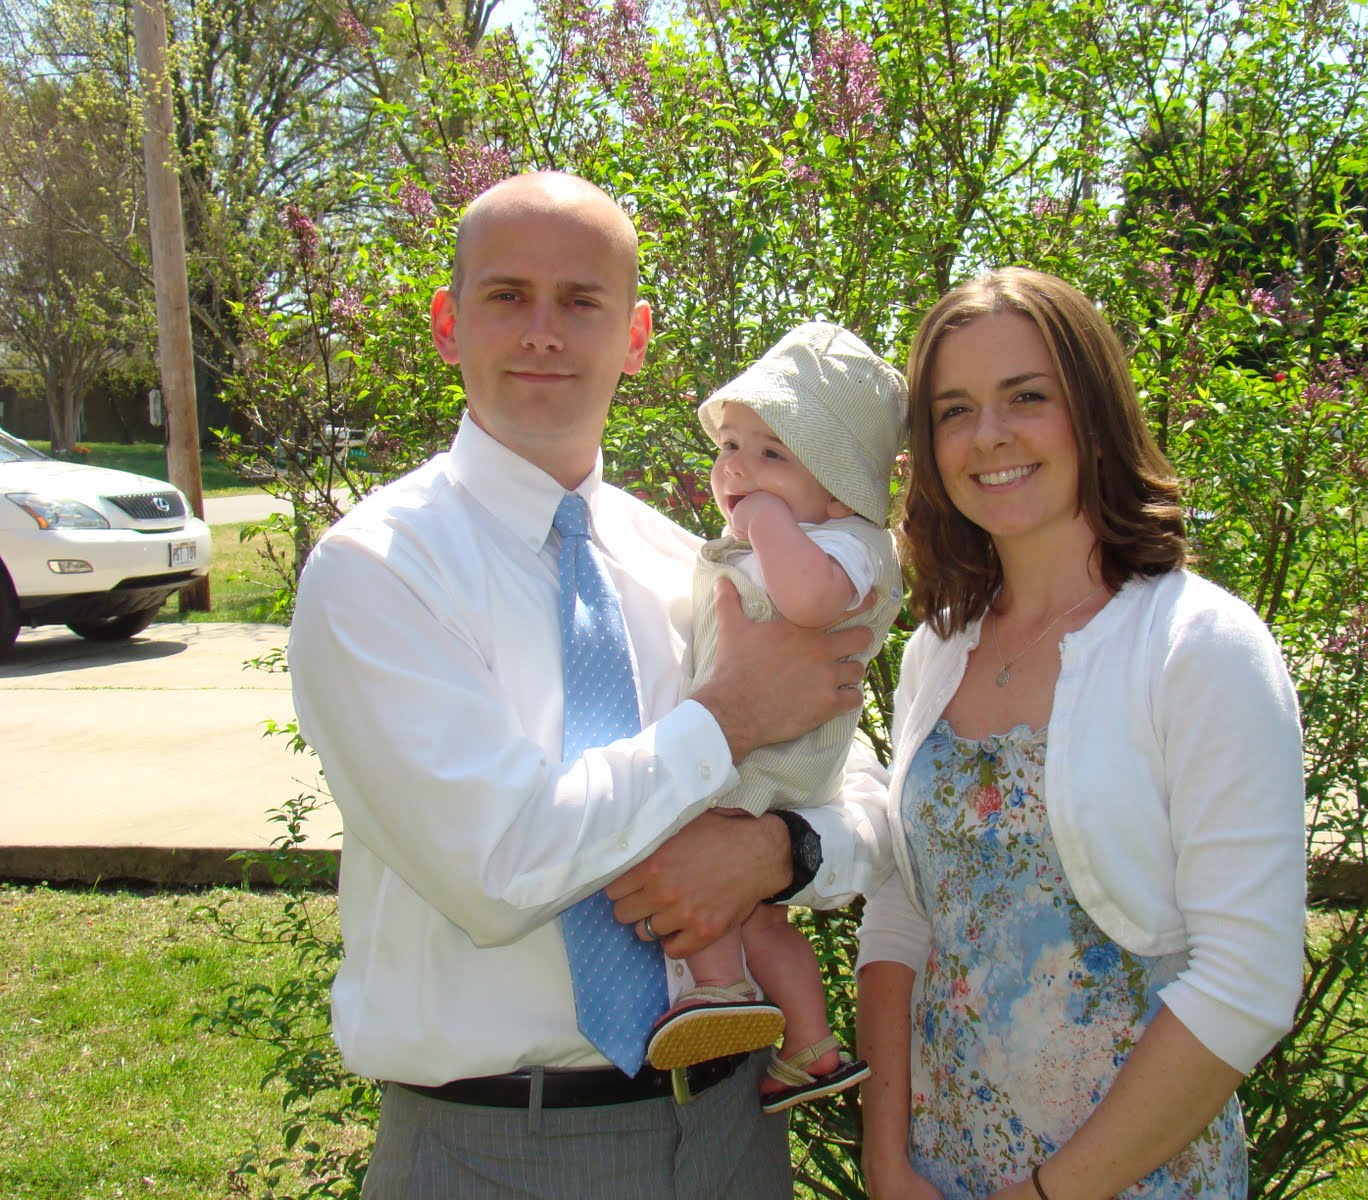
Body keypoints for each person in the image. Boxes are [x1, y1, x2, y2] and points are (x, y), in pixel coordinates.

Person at [287, 171, 892, 1199]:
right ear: (448, 323)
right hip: (492, 1151)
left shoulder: (693, 563)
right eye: (506, 295)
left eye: (580, 301)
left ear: (635, 336)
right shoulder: (376, 571)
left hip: (732, 1133)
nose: (543, 332)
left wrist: (776, 852)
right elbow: (498, 868)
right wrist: (728, 717)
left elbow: (865, 794)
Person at [855, 267, 1305, 1200]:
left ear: (1094, 415)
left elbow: (1249, 980)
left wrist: (1047, 1194)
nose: (989, 434)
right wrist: (887, 1156)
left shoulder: (1198, 646)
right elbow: (905, 907)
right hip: (938, 1174)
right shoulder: (937, 651)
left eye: (1027, 396)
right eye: (953, 411)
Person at [643, 322, 906, 1116]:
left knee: (680, 833)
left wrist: (763, 522)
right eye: (730, 446)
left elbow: (812, 601)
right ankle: (812, 1048)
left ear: (842, 486)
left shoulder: (851, 543)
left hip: (776, 754)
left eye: (771, 454)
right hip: (761, 751)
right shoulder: (794, 532)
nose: (737, 470)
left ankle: (718, 988)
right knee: (762, 916)